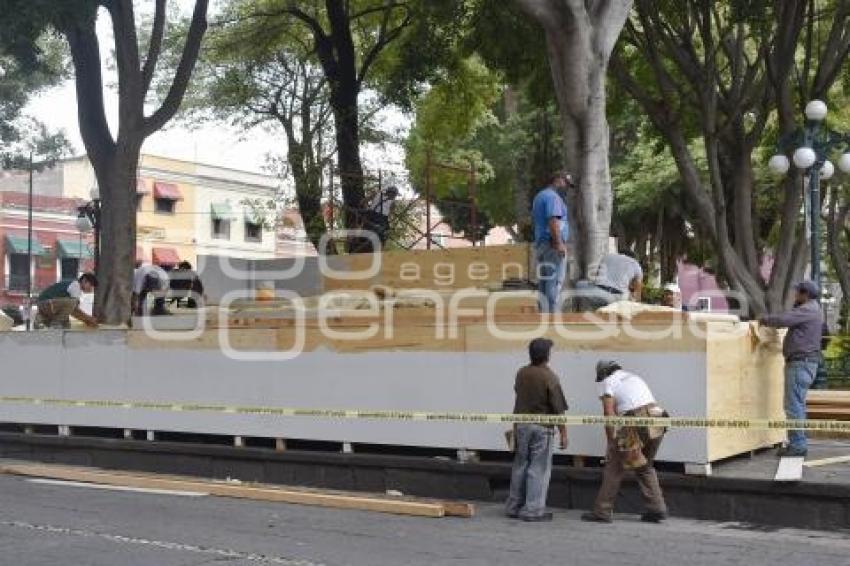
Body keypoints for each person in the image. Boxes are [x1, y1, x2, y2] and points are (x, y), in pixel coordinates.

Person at [582, 360, 668, 524]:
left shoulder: (606, 381)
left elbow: (608, 413)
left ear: (602, 373)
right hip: (659, 417)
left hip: (635, 420)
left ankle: (602, 511)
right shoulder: (633, 377)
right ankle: (657, 509)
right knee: (644, 465)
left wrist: (611, 442)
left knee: (614, 466)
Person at [505, 337, 569, 522]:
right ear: (547, 355)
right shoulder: (550, 376)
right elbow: (558, 408)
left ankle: (514, 506)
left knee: (520, 466)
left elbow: (519, 395)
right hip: (542, 428)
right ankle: (532, 510)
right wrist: (564, 433)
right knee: (538, 469)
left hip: (521, 425)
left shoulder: (521, 373)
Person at [759, 281, 824, 457]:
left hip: (800, 363)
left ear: (805, 294)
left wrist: (764, 319)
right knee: (798, 405)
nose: (795, 295)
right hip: (805, 363)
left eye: (798, 292)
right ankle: (798, 442)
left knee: (793, 406)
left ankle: (797, 445)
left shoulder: (808, 309)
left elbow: (783, 320)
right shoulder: (813, 308)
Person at [532, 171, 574, 312]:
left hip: (542, 244)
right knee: (554, 282)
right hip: (552, 245)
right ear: (557, 180)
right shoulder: (553, 197)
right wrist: (559, 243)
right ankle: (552, 318)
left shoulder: (540, 196)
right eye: (566, 184)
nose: (567, 188)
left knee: (544, 283)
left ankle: (543, 317)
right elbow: (553, 220)